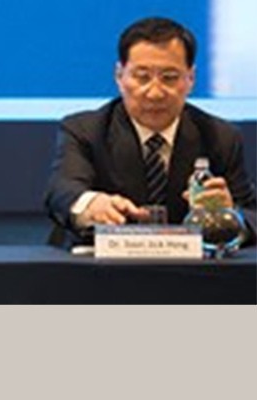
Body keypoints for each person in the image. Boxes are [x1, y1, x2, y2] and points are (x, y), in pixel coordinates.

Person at [44, 17, 256, 248]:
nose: (155, 93)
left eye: (169, 78)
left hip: (189, 267)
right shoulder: (85, 130)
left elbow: (251, 214)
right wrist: (90, 204)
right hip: (98, 263)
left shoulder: (220, 136)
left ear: (191, 79)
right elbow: (61, 190)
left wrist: (230, 215)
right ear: (119, 76)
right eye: (142, 77)